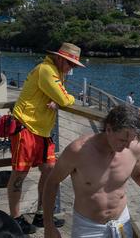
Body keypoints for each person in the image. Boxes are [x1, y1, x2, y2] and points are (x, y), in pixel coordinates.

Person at [42, 104, 140, 238]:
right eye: (122, 140)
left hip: (122, 223)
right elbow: (52, 182)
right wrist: (49, 225)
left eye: (130, 140)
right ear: (108, 129)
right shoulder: (78, 151)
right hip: (88, 228)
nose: (126, 146)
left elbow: (138, 173)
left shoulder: (134, 148)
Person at [8, 42, 83, 234]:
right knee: (20, 175)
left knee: (50, 171)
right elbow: (65, 99)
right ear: (60, 59)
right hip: (26, 128)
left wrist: (58, 98)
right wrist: (64, 99)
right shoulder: (47, 70)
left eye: (74, 66)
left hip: (43, 131)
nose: (71, 68)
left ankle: (41, 213)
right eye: (70, 64)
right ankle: (15, 219)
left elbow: (59, 97)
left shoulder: (57, 73)